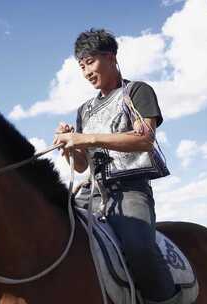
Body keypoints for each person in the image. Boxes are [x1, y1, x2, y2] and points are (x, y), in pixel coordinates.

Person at [53, 28, 177, 304]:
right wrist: (70, 147)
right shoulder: (85, 110)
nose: (85, 72)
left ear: (110, 57)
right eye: (81, 66)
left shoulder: (136, 91)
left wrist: (84, 137)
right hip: (90, 193)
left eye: (90, 62)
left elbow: (145, 138)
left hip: (130, 190)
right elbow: (81, 166)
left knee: (139, 249)